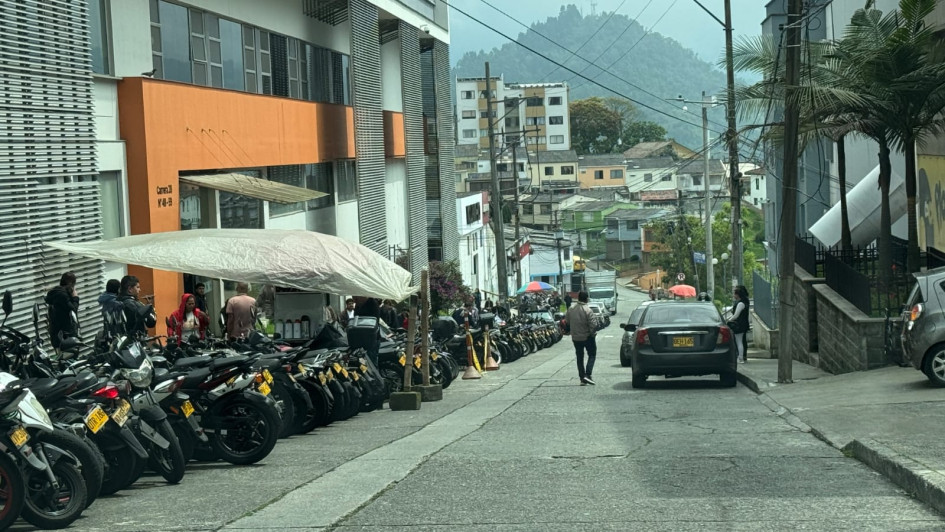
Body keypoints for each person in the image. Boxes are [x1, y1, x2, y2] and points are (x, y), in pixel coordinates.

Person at [565, 291, 598, 386]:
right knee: (592, 354)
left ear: (578, 298)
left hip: (575, 338)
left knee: (579, 357)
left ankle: (582, 378)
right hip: (587, 337)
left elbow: (567, 321)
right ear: (586, 298)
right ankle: (587, 374)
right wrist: (593, 334)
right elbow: (593, 325)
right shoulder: (587, 310)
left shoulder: (571, 309)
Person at [45, 272, 80, 348]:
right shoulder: (63, 295)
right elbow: (73, 309)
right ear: (70, 283)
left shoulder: (57, 293)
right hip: (65, 335)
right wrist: (75, 297)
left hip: (57, 333)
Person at [729, 285, 751, 363]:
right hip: (743, 324)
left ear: (738, 294)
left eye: (734, 293)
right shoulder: (744, 302)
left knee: (739, 341)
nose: (733, 295)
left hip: (739, 325)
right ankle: (742, 356)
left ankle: (740, 357)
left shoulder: (740, 303)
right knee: (741, 341)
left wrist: (728, 321)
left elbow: (736, 315)